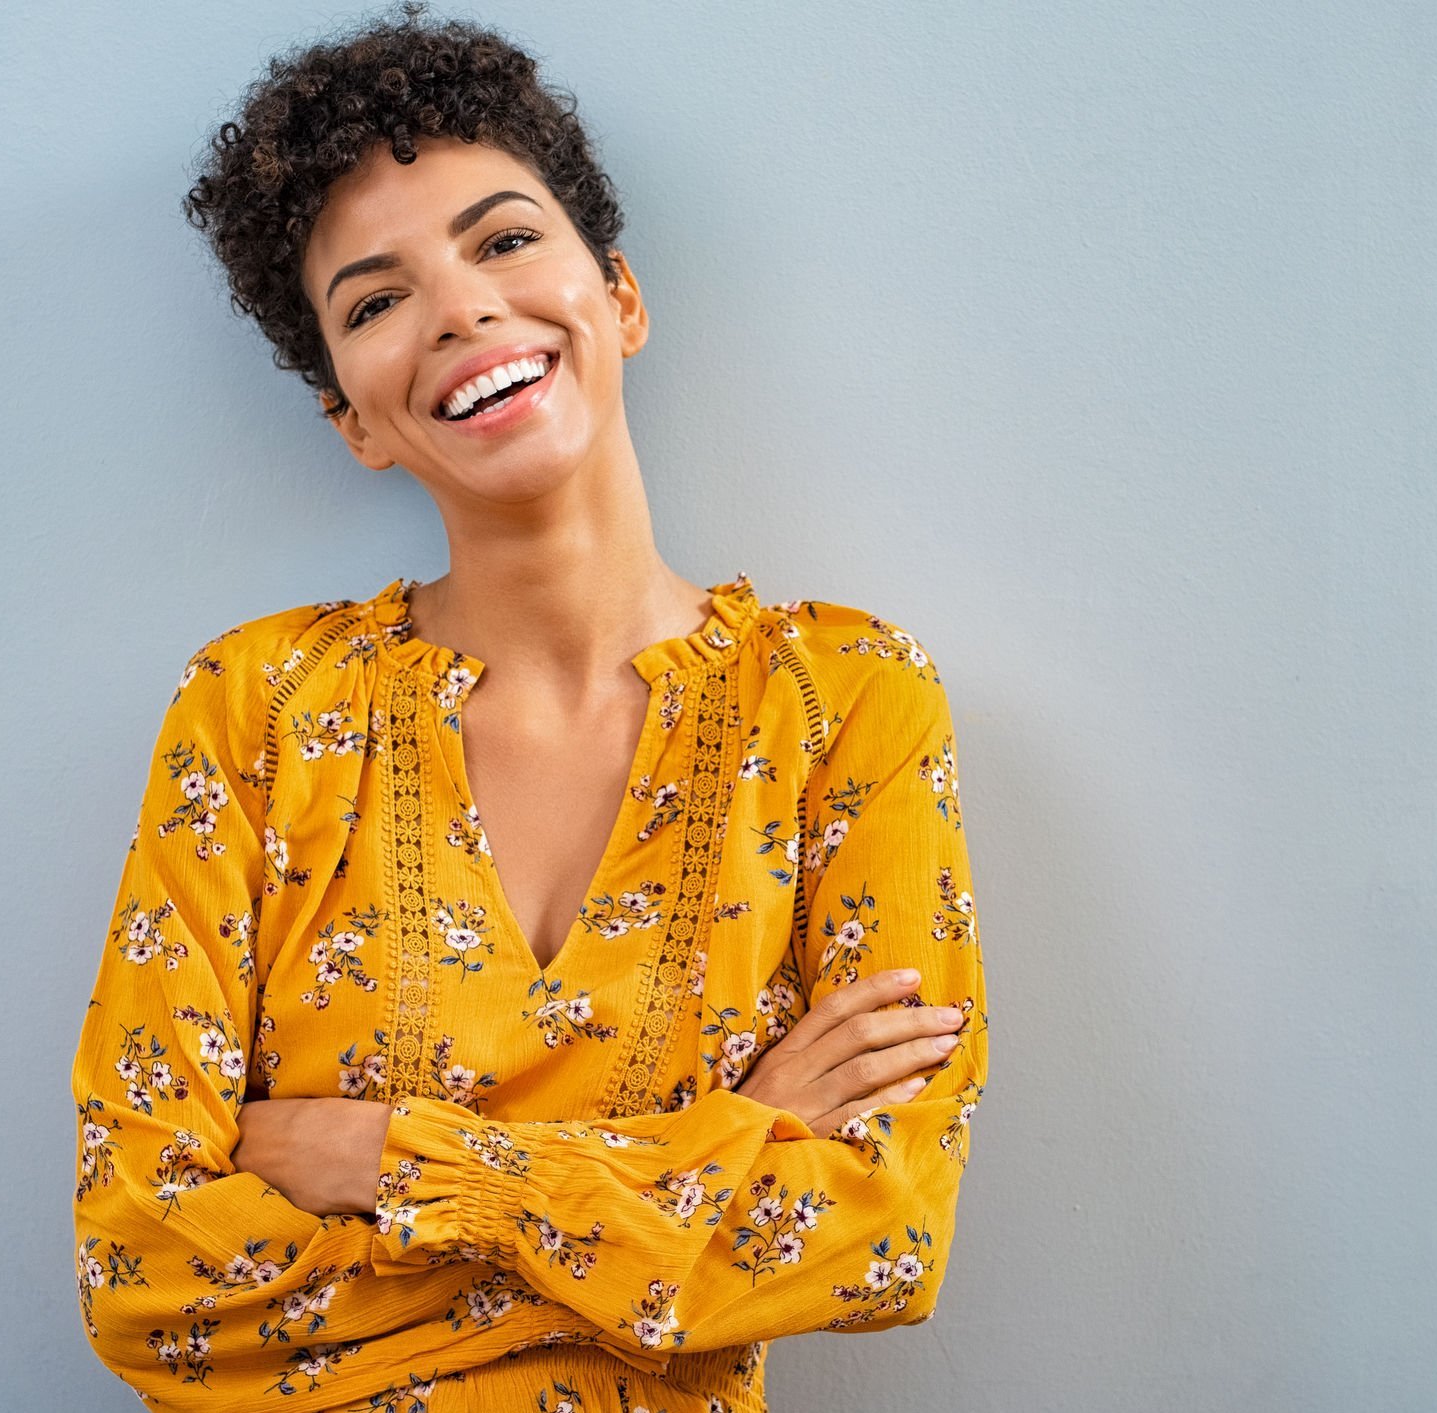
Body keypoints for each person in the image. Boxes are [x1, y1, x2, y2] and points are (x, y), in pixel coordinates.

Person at [67, 7, 989, 1410]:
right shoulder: (257, 709)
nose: (458, 309)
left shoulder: (845, 703)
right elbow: (147, 1274)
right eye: (375, 301)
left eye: (502, 241)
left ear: (615, 295)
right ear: (355, 420)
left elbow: (879, 1238)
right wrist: (719, 1157)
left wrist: (391, 1163)